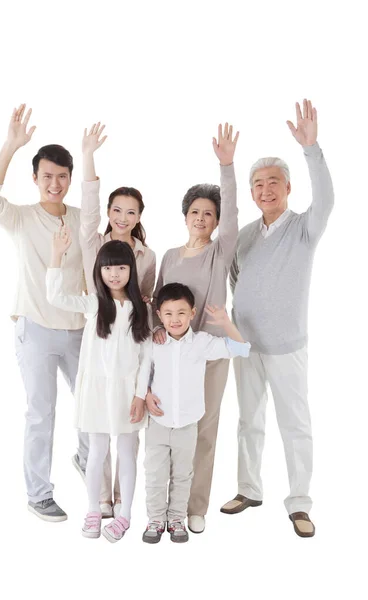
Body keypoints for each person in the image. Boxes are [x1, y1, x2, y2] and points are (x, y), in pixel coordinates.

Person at [221, 100, 334, 538]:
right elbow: (235, 278)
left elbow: (327, 198)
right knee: (248, 420)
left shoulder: (305, 227)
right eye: (258, 185)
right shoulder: (247, 235)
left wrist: (312, 149)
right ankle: (248, 489)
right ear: (252, 193)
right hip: (244, 345)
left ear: (287, 187)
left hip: (287, 346)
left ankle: (300, 503)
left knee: (295, 424)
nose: (265, 190)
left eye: (273, 183)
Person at [0, 104, 88, 522]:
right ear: (36, 178)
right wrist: (11, 144)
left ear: (70, 178)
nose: (55, 183)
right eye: (47, 176)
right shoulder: (22, 218)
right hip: (36, 328)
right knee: (41, 412)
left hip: (79, 329)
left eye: (62, 176)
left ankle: (85, 458)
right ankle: (39, 493)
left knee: (92, 406)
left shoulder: (81, 220)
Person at [152, 123, 239, 534]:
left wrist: (227, 167)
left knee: (203, 429)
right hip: (170, 355)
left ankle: (195, 506)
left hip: (211, 353)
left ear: (216, 221)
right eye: (195, 212)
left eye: (209, 213)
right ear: (185, 216)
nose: (201, 218)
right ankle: (163, 508)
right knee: (168, 429)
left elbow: (235, 218)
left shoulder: (219, 255)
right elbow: (157, 304)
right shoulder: (169, 255)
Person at [47, 234, 151, 542]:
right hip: (95, 389)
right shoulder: (93, 304)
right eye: (107, 268)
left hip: (128, 391)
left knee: (128, 452)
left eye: (120, 267)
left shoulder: (140, 310)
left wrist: (139, 394)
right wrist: (56, 256)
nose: (114, 273)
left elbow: (146, 357)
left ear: (131, 270)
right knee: (97, 452)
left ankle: (126, 515)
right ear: (99, 271)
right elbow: (55, 297)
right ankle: (93, 509)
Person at [77, 123, 156, 519]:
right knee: (97, 422)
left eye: (131, 212)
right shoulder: (94, 243)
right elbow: (87, 206)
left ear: (139, 216)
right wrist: (89, 155)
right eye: (117, 210)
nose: (123, 217)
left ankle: (124, 501)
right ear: (109, 212)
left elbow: (147, 303)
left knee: (126, 431)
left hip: (131, 346)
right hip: (98, 335)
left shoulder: (146, 256)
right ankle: (102, 500)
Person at [143, 283, 250, 544]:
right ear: (159, 315)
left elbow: (242, 349)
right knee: (155, 474)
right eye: (168, 313)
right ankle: (156, 518)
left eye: (181, 312)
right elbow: (141, 373)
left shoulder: (202, 343)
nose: (174, 319)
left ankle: (177, 518)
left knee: (182, 474)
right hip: (157, 422)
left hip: (188, 423)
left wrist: (225, 322)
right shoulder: (154, 342)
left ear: (192, 313)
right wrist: (146, 395)